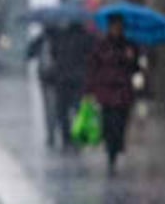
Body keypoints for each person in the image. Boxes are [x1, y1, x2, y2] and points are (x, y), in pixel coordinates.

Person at [27, 21, 94, 150]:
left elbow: (51, 55)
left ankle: (66, 137)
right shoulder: (83, 38)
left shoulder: (60, 38)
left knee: (62, 110)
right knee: (74, 109)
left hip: (61, 79)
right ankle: (72, 136)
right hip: (72, 79)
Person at [86, 15, 140, 174]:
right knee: (108, 123)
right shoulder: (102, 45)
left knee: (121, 122)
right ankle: (111, 152)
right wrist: (91, 90)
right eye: (113, 27)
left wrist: (132, 59)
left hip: (123, 91)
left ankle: (118, 146)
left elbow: (135, 68)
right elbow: (93, 67)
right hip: (106, 91)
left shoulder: (129, 45)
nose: (116, 30)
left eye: (119, 27)